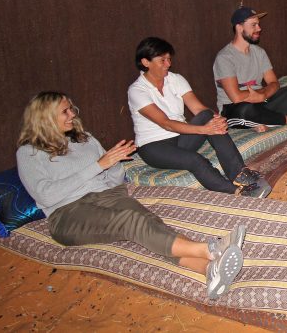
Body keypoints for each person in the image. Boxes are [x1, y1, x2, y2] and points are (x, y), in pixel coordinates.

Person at [16, 91, 247, 299]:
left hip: (109, 194)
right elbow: (46, 195)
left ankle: (208, 270)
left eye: (71, 108)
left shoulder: (84, 138)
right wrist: (99, 165)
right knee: (130, 221)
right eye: (64, 111)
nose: (72, 114)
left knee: (148, 224)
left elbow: (111, 179)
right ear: (44, 118)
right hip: (68, 212)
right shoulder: (29, 153)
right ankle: (209, 249)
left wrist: (115, 164)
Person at [127, 37, 267, 197]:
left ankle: (239, 174)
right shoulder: (137, 90)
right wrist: (204, 129)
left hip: (180, 138)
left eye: (169, 59)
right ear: (146, 62)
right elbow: (166, 123)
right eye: (162, 60)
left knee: (208, 115)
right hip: (154, 147)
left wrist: (217, 120)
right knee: (194, 159)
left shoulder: (175, 79)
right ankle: (237, 192)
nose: (168, 64)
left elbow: (198, 108)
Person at [214, 7, 287, 130]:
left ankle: (263, 120)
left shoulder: (259, 52)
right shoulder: (225, 57)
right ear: (239, 27)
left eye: (258, 24)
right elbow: (236, 97)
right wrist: (259, 95)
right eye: (253, 25)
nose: (259, 28)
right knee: (246, 110)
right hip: (234, 108)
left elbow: (274, 83)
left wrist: (263, 95)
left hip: (262, 102)